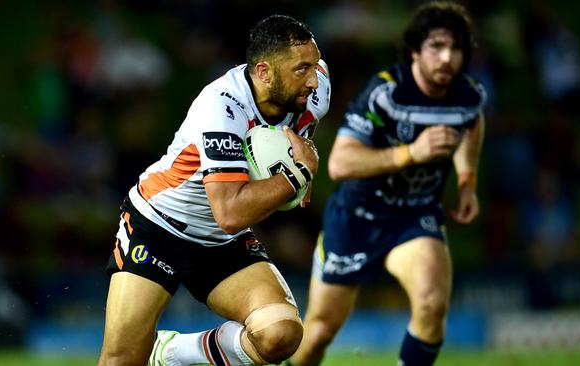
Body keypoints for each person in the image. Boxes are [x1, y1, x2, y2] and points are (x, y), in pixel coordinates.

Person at [97, 14, 331, 366]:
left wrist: (291, 180)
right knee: (120, 361)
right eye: (301, 70)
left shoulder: (315, 90)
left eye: (314, 65)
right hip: (158, 226)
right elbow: (231, 214)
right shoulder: (221, 107)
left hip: (219, 243)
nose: (313, 80)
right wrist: (296, 176)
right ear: (264, 72)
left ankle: (170, 354)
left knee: (279, 334)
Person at [287, 2, 485, 366]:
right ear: (415, 51)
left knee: (431, 304)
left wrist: (466, 178)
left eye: (455, 48)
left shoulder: (467, 96)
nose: (447, 58)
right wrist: (412, 152)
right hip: (356, 218)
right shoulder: (385, 93)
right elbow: (340, 163)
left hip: (413, 216)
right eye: (436, 48)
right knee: (318, 331)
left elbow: (471, 125)